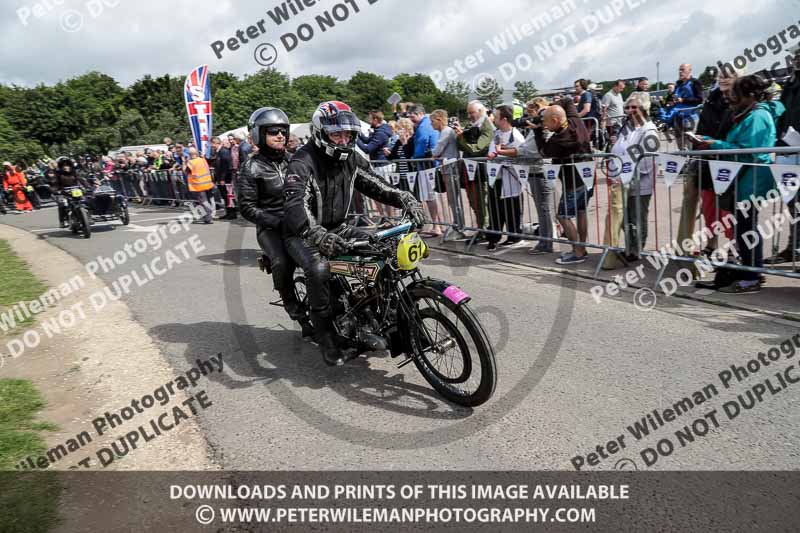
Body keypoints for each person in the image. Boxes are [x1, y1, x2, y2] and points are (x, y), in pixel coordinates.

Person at [282, 101, 426, 366]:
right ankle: (326, 338)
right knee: (319, 269)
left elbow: (377, 185)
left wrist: (407, 199)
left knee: (383, 250)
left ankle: (378, 313)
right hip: (302, 233)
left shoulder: (351, 158)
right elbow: (295, 206)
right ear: (320, 132)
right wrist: (317, 235)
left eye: (348, 134)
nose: (344, 139)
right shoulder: (302, 162)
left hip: (339, 226)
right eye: (337, 134)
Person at [694, 75, 785, 293]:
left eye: (735, 95)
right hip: (744, 178)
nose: (731, 100)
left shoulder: (758, 116)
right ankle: (748, 272)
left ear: (749, 96)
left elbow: (746, 151)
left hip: (751, 179)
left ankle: (752, 276)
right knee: (743, 228)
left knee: (746, 229)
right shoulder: (750, 114)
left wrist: (714, 145)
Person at [237, 107, 314, 339]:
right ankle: (292, 305)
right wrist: (278, 222)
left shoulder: (295, 161)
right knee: (281, 261)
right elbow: (247, 208)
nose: (280, 135)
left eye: (283, 131)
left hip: (300, 221)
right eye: (273, 132)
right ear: (260, 135)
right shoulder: (251, 167)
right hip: (271, 227)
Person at [534, 98, 593, 265]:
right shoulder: (575, 121)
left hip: (573, 182)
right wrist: (548, 107)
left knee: (562, 216)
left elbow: (543, 152)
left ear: (555, 120)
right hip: (588, 177)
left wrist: (538, 130)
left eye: (546, 122)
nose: (545, 125)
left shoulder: (559, 140)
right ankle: (582, 247)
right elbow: (567, 100)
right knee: (581, 212)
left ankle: (578, 252)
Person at [605, 92, 659, 265]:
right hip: (622, 180)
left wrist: (627, 174)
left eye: (634, 107)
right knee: (625, 218)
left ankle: (636, 250)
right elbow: (617, 152)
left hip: (639, 181)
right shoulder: (627, 128)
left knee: (637, 218)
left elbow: (646, 159)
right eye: (627, 107)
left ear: (643, 108)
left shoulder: (649, 129)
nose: (629, 110)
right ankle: (630, 247)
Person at [485, 105, 526, 251]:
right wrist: (492, 155)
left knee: (511, 208)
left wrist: (501, 155)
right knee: (494, 208)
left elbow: (521, 155)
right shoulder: (496, 134)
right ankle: (493, 237)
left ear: (504, 119)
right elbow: (492, 151)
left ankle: (514, 236)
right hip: (495, 176)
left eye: (496, 117)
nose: (494, 119)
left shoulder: (516, 136)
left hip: (510, 177)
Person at [454, 100, 495, 236]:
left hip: (480, 171)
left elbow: (476, 149)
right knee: (473, 202)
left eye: (472, 113)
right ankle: (480, 228)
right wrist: (460, 136)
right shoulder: (472, 125)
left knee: (480, 203)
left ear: (480, 111)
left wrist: (462, 138)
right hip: (469, 170)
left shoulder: (486, 126)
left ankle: (485, 229)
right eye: (468, 113)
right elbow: (461, 146)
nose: (469, 116)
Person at [673, 64, 704, 149]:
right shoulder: (677, 84)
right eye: (679, 70)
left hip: (690, 118)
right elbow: (675, 98)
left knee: (690, 144)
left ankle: (692, 159)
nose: (680, 72)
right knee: (680, 145)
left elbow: (700, 99)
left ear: (689, 70)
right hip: (678, 117)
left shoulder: (695, 82)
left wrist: (683, 100)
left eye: (682, 70)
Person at [51, 157, 89, 226]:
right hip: (64, 192)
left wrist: (88, 187)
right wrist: (55, 190)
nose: (66, 167)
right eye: (63, 165)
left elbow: (81, 180)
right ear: (61, 167)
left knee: (87, 200)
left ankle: (88, 217)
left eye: (67, 165)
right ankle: (63, 221)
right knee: (62, 204)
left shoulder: (74, 172)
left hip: (76, 190)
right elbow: (55, 183)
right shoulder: (58, 174)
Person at [184, 148, 215, 224]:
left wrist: (184, 163)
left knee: (203, 201)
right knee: (205, 200)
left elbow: (186, 172)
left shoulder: (191, 162)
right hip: (207, 183)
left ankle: (208, 217)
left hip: (198, 184)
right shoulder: (202, 160)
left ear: (190, 154)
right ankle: (208, 215)